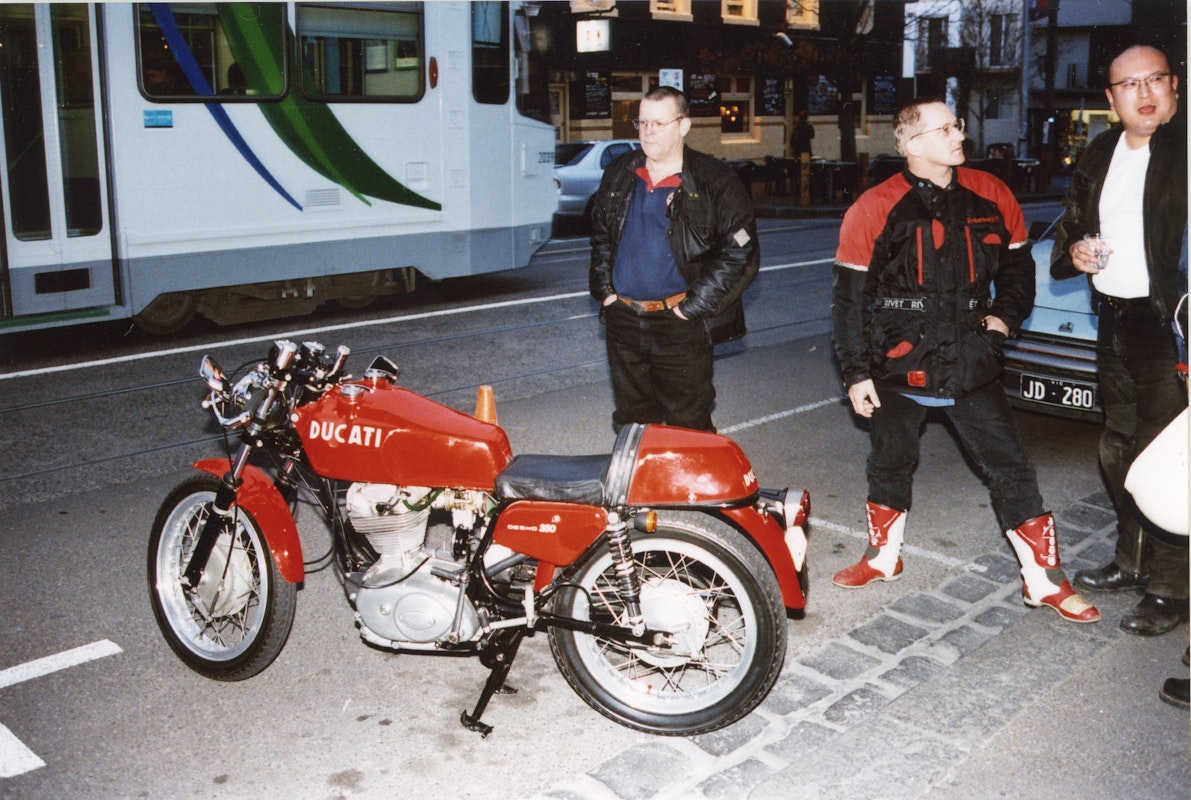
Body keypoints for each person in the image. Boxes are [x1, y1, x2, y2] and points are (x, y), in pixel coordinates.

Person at [830, 97, 1100, 624]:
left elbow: (1020, 273)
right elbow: (849, 301)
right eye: (945, 128)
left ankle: (1043, 581)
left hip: (973, 360)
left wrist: (1001, 323)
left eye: (956, 125)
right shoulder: (872, 206)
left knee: (1010, 467)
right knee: (889, 459)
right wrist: (857, 372)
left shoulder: (993, 193)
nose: (959, 135)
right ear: (911, 144)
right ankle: (883, 558)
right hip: (898, 363)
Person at [1051, 44, 1188, 637]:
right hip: (1114, 321)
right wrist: (1076, 251)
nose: (1145, 92)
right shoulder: (1101, 151)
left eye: (1155, 79)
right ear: (1110, 100)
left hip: (1170, 328)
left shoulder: (1185, 153)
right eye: (1129, 84)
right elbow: (1070, 232)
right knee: (1118, 448)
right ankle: (1131, 561)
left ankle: (1170, 589)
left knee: (1170, 464)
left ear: (1175, 87)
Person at [589, 86, 759, 432]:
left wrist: (691, 308)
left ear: (684, 126)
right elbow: (602, 236)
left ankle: (691, 487)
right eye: (642, 122)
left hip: (679, 324)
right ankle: (641, 485)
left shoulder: (715, 180)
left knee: (688, 424)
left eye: (658, 123)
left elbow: (740, 251)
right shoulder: (620, 173)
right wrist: (606, 291)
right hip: (624, 319)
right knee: (632, 423)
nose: (647, 131)